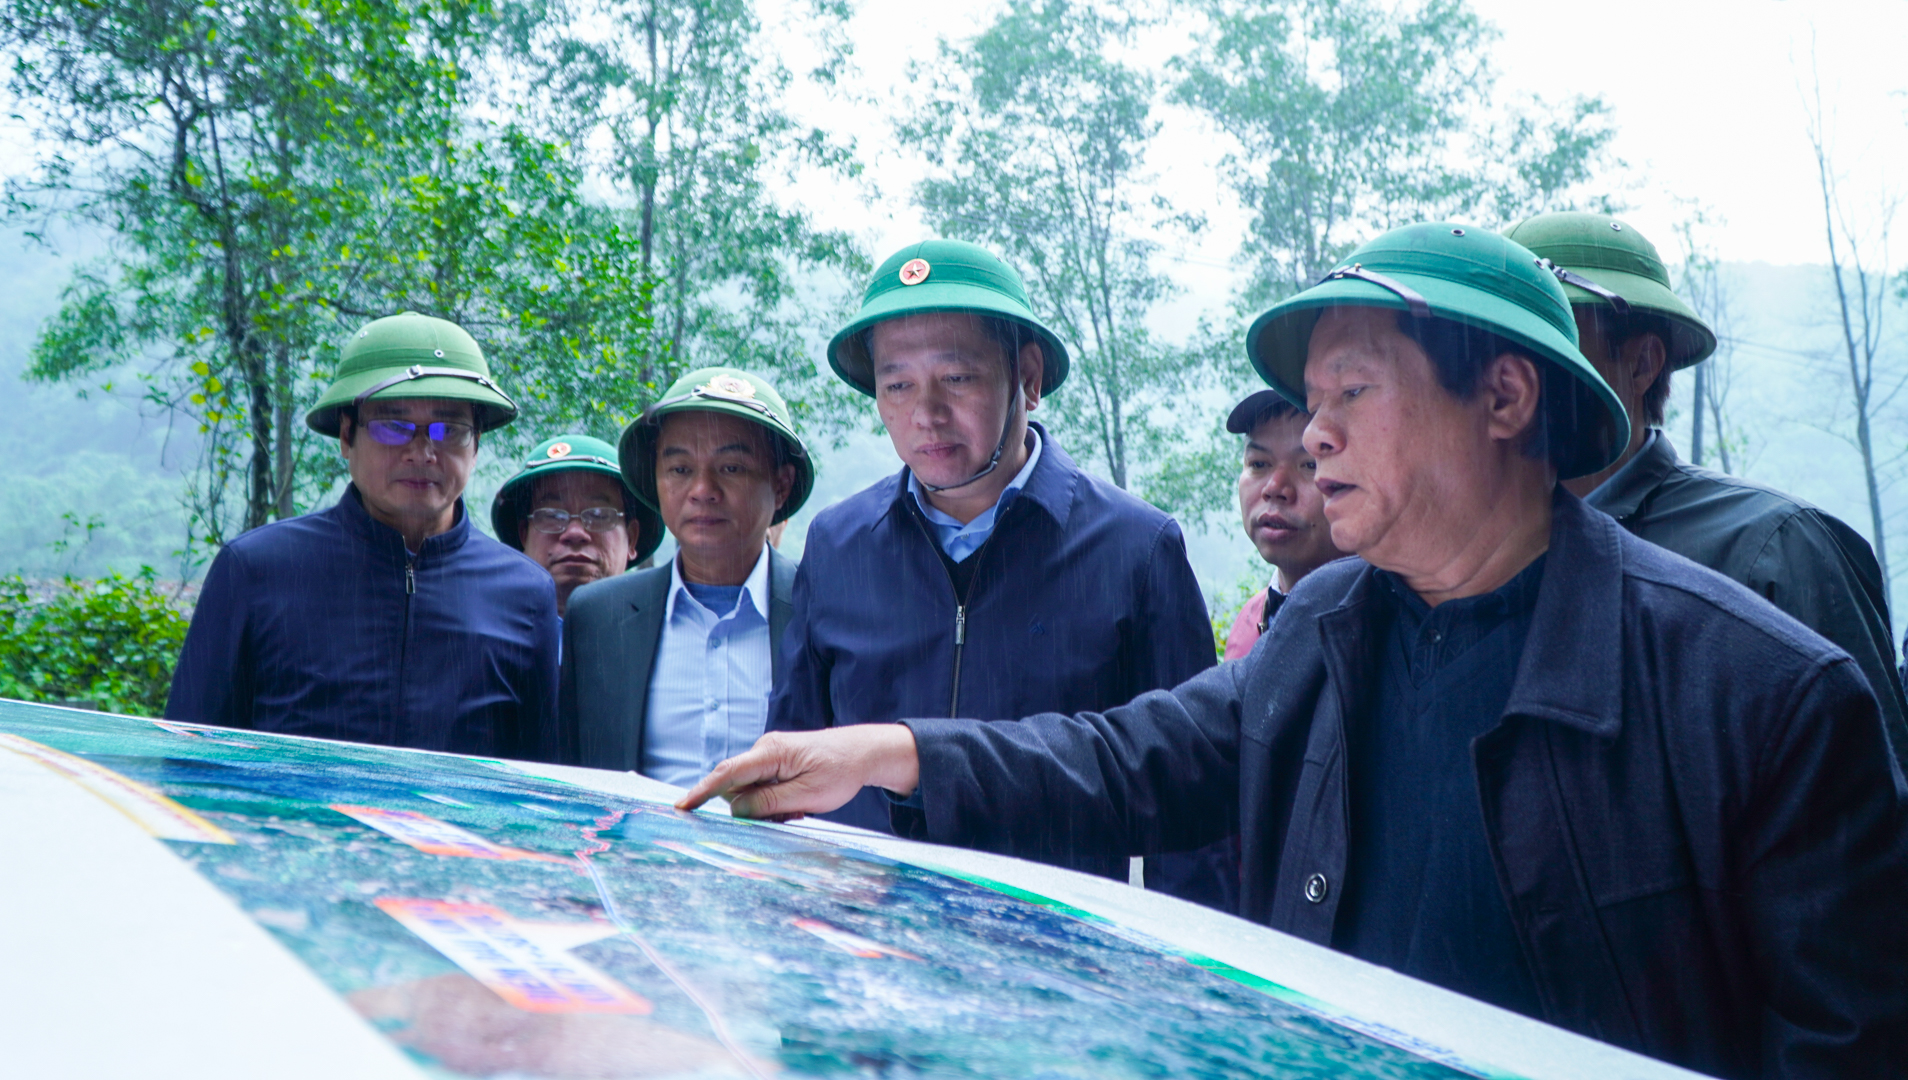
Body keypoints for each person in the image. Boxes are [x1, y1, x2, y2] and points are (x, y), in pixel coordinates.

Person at [682, 224, 1908, 1079]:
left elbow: (1845, 1044)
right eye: (1307, 404)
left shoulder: (1761, 696)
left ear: (1505, 398)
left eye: (1350, 395)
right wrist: (890, 751)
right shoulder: (1326, 632)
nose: (1309, 440)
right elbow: (1129, 756)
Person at [769, 238, 1223, 903]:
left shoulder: (1135, 549)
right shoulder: (839, 546)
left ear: (1028, 377)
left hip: (1053, 955)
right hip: (861, 953)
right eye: (897, 384)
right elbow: (793, 761)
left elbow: (1190, 799)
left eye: (957, 378)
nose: (925, 412)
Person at [1507, 211, 1908, 778]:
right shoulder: (1463, 558)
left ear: (1642, 362)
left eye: (1551, 339)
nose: (1509, 375)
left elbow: (1874, 818)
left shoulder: (1776, 550)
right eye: (1493, 343)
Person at [167, 312, 558, 758]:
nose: (422, 452)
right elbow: (188, 756)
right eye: (393, 426)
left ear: (476, 446)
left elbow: (540, 781)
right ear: (346, 437)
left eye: (448, 429)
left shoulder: (524, 593)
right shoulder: (257, 569)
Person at [555, 368, 811, 782]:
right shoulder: (599, 617)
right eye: (679, 470)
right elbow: (571, 772)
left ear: (781, 485)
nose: (702, 489)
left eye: (731, 468)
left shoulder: (820, 609)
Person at [1221, 389, 1349, 659]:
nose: (1275, 487)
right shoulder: (1248, 623)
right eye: (1258, 463)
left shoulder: (1389, 624)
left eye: (1309, 465)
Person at [489, 434, 663, 617]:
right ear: (524, 535)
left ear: (632, 538)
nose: (575, 532)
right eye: (553, 515)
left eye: (598, 515)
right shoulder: (487, 630)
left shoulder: (663, 633)